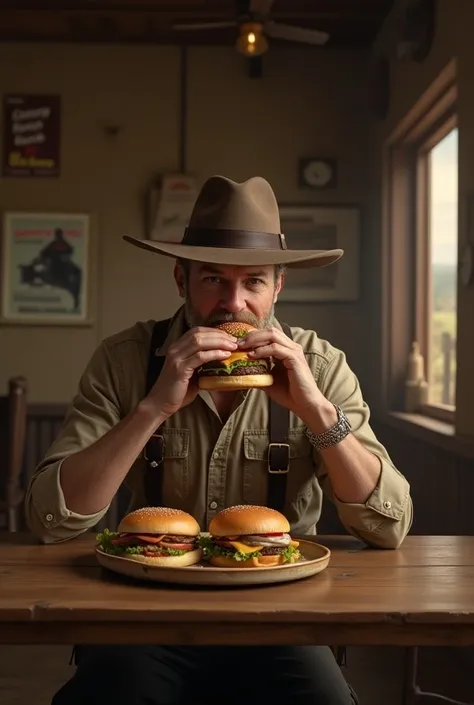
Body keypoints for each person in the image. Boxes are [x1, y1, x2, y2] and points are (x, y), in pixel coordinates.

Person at [25, 175, 413, 705]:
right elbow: (51, 517)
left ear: (278, 286)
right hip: (144, 614)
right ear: (180, 279)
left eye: (253, 281)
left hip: (284, 616)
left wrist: (316, 411)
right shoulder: (124, 360)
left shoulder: (321, 364)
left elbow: (389, 524)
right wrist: (153, 407)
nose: (233, 303)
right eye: (213, 279)